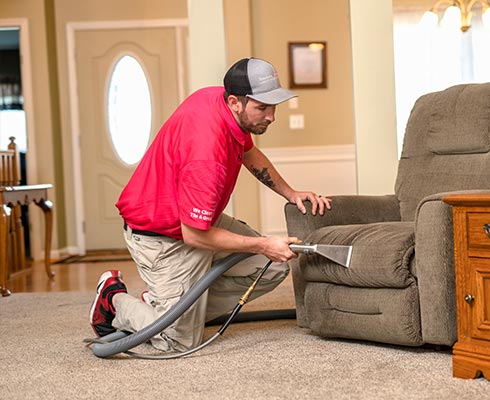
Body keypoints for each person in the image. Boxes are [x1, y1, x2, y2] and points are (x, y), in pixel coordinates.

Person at [89, 57, 331, 352]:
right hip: (162, 236)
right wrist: (264, 244)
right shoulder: (207, 155)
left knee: (270, 267)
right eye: (263, 108)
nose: (271, 116)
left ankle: (169, 308)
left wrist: (290, 193)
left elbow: (249, 153)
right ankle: (114, 300)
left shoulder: (219, 102)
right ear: (235, 101)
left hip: (197, 221)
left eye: (273, 106)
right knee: (177, 340)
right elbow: (193, 236)